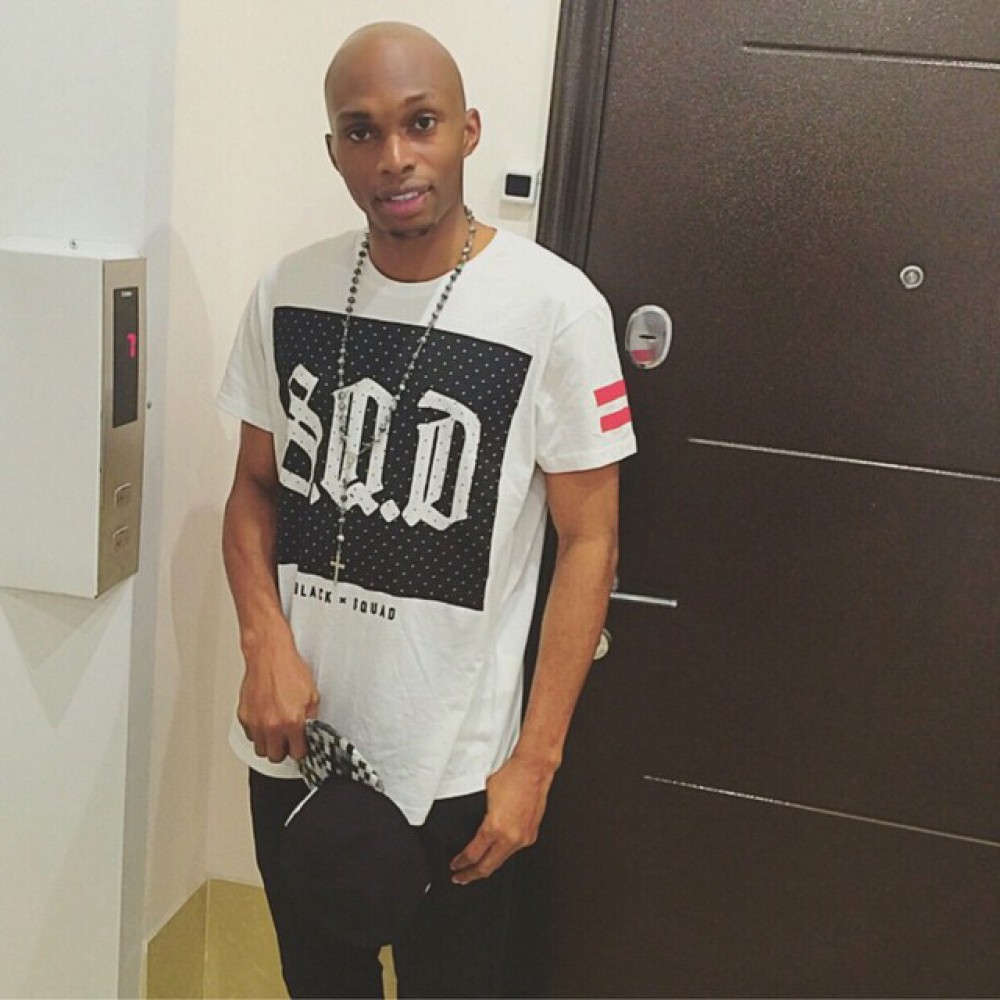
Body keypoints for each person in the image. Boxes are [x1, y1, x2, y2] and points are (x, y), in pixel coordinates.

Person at [219, 20, 636, 999]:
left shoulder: (555, 308)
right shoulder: (287, 291)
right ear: (334, 150)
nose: (394, 157)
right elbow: (252, 488)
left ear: (468, 130)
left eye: (420, 123)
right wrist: (262, 640)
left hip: (456, 772)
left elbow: (590, 541)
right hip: (295, 753)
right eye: (361, 131)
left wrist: (535, 762)